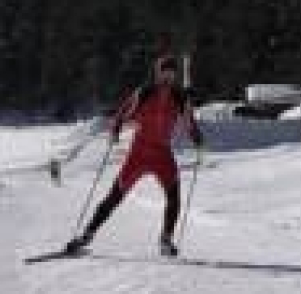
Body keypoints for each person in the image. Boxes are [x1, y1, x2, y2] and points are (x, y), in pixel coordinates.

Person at [67, 55, 203, 257]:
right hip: (139, 152)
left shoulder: (180, 97)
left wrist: (198, 140)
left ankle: (165, 240)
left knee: (174, 196)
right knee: (115, 196)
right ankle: (86, 235)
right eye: (164, 72)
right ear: (158, 73)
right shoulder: (145, 92)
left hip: (162, 154)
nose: (168, 76)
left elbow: (189, 122)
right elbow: (122, 113)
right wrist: (115, 131)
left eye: (172, 73)